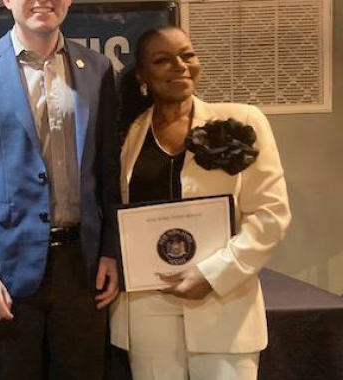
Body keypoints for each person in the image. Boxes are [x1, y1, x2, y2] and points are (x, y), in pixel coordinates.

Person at [0, 0, 121, 378]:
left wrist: (111, 251)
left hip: (83, 267)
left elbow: (108, 170)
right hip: (6, 273)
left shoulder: (97, 68)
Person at [110, 26, 291, 380]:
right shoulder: (128, 135)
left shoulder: (243, 121)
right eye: (163, 60)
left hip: (223, 303)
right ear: (142, 75)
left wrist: (213, 275)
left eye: (187, 55)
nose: (180, 66)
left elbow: (270, 216)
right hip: (148, 308)